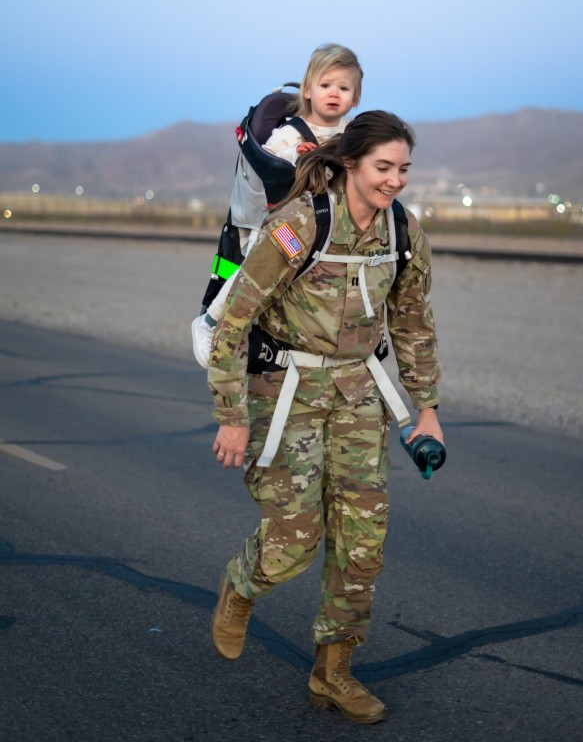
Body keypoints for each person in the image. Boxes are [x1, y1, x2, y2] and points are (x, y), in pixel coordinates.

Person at [207, 111, 442, 724]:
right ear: (350, 164)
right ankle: (242, 585)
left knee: (362, 543)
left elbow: (414, 322)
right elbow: (234, 318)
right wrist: (231, 415)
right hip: (287, 391)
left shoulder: (403, 231)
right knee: (293, 542)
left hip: (361, 393)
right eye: (383, 168)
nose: (395, 180)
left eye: (403, 170)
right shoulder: (300, 224)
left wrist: (428, 411)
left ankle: (333, 673)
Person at [191, 43, 363, 368]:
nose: (334, 93)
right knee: (258, 267)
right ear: (308, 90)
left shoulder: (353, 136)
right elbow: (273, 163)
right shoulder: (289, 134)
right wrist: (301, 156)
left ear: (355, 98)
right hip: (278, 224)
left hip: (327, 228)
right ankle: (211, 323)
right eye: (326, 85)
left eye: (344, 87)